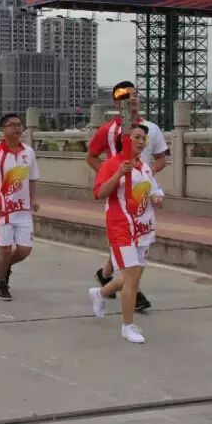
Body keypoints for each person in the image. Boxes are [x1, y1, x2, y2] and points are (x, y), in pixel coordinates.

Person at [86, 81, 167, 312]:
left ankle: (105, 278)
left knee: (134, 246)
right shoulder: (107, 130)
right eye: (124, 97)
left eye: (134, 95)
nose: (131, 99)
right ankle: (133, 295)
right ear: (116, 102)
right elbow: (91, 157)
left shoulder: (151, 129)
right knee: (124, 246)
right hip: (117, 201)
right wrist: (113, 176)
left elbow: (161, 159)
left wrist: (146, 175)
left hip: (143, 200)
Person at [89, 123, 164, 343]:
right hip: (121, 228)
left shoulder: (144, 167)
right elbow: (99, 193)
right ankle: (128, 326)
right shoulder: (112, 164)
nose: (141, 142)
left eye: (144, 139)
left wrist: (157, 198)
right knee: (132, 280)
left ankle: (99, 294)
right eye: (137, 137)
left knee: (130, 278)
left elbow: (154, 191)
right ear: (126, 139)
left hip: (143, 229)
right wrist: (118, 174)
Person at [0, 113, 40, 301]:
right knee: (4, 250)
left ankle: (5, 266)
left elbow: (31, 179)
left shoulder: (28, 152)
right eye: (12, 125)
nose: (17, 128)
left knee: (24, 250)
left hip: (23, 211)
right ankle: (2, 284)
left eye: (19, 124)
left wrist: (33, 199)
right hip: (2, 212)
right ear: (3, 129)